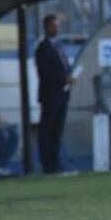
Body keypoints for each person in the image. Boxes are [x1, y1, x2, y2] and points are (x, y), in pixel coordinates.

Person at [34, 13, 73, 174]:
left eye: (57, 26)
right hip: (50, 95)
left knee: (57, 130)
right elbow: (44, 73)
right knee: (48, 130)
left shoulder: (59, 46)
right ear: (46, 27)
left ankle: (56, 162)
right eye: (53, 26)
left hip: (62, 95)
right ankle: (47, 164)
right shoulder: (43, 48)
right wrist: (63, 79)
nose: (56, 29)